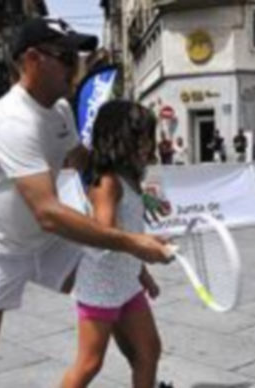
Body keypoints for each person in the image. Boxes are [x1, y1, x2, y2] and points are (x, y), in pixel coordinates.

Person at [0, 18, 170, 388]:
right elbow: (49, 213)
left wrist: (130, 192)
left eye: (76, 57)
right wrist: (134, 242)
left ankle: (142, 364)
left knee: (113, 283)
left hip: (48, 240)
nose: (76, 66)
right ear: (33, 59)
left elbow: (85, 164)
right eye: (66, 57)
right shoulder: (11, 121)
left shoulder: (60, 111)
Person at [61, 101, 163, 388]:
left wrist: (142, 273)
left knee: (149, 350)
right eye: (141, 137)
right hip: (100, 286)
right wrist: (145, 245)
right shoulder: (107, 182)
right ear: (118, 138)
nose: (147, 145)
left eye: (149, 137)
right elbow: (105, 234)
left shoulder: (130, 179)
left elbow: (129, 230)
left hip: (127, 282)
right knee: (89, 364)